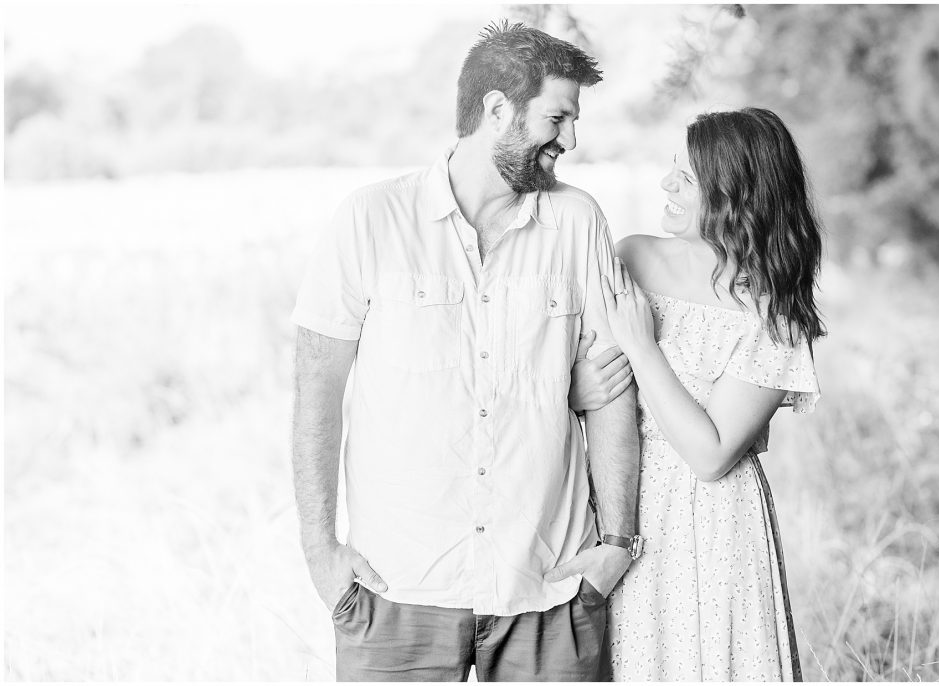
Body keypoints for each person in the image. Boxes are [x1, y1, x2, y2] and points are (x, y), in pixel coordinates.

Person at [290, 21, 640, 682]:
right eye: (557, 117)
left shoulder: (578, 223)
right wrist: (319, 552)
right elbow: (316, 391)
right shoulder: (370, 220)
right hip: (397, 589)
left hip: (551, 589)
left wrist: (616, 545)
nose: (569, 139)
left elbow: (612, 390)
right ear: (498, 111)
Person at [568, 107, 824, 681]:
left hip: (714, 525)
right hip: (617, 498)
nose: (667, 185)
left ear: (736, 194)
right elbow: (577, 375)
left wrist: (642, 346)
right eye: (671, 169)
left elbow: (711, 456)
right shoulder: (632, 256)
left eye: (686, 177)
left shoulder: (773, 313)